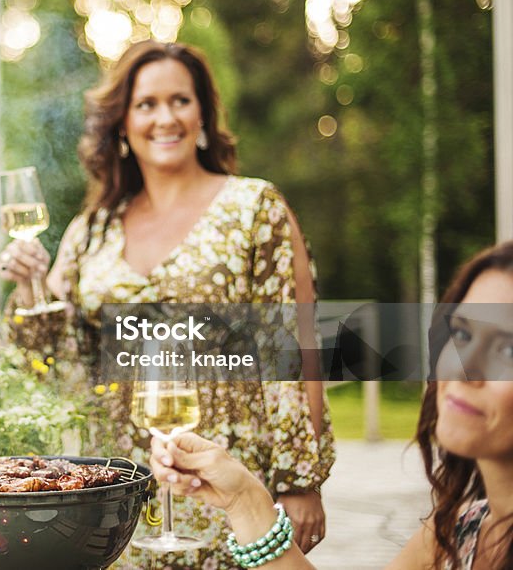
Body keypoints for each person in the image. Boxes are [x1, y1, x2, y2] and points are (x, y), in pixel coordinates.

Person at [0, 40, 334, 567]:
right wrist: (29, 288)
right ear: (122, 124)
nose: (165, 117)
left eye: (180, 100)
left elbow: (292, 347)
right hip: (118, 490)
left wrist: (300, 479)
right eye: (146, 104)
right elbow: (54, 360)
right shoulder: (92, 230)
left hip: (230, 477)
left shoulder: (254, 207)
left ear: (203, 113)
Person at [152, 241, 513, 569]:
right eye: (463, 334)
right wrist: (242, 497)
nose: (466, 369)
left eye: (507, 349)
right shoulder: (458, 529)